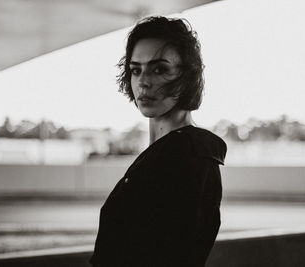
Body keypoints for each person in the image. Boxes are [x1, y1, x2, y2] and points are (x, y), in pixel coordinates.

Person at [90, 16, 227, 267]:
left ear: (188, 76)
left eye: (160, 69)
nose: (143, 81)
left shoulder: (187, 157)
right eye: (135, 70)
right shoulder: (165, 154)